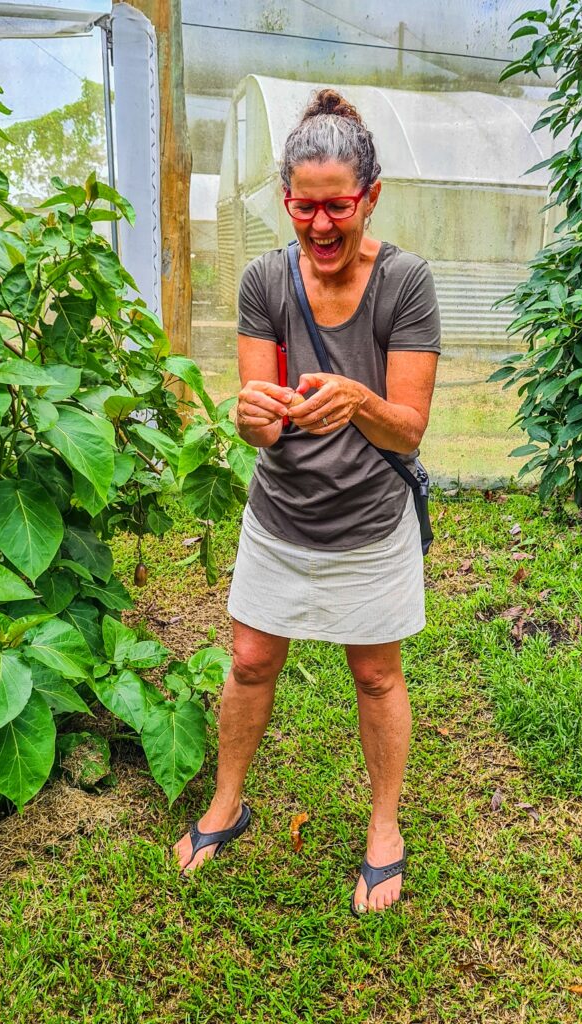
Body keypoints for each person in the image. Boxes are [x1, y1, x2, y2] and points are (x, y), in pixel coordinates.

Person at [175, 88, 441, 915]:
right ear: (284, 201)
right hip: (282, 517)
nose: (321, 227)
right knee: (251, 660)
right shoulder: (264, 280)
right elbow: (259, 419)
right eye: (303, 208)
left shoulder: (407, 283)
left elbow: (409, 430)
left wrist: (360, 401)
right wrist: (253, 416)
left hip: (369, 522)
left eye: (337, 208)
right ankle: (227, 802)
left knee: (375, 675)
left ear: (370, 198)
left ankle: (385, 827)